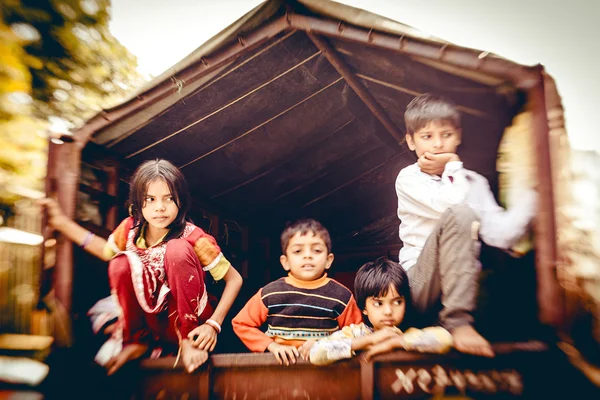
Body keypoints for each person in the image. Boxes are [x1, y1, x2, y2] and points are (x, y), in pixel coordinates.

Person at [39, 159, 243, 374]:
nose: (160, 207)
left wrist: (212, 325)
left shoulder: (195, 237)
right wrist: (62, 223)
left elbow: (234, 279)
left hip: (187, 323)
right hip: (152, 325)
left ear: (181, 202)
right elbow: (105, 252)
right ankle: (135, 340)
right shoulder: (129, 231)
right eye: (150, 199)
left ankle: (187, 340)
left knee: (177, 250)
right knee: (120, 261)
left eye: (169, 199)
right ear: (137, 203)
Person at [395, 94, 536, 358]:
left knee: (499, 270)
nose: (438, 144)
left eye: (446, 134)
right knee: (461, 214)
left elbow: (501, 236)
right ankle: (458, 322)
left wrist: (535, 195)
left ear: (458, 135)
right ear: (411, 141)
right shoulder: (408, 179)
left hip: (460, 287)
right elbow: (452, 205)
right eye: (427, 136)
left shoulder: (474, 181)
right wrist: (452, 164)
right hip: (419, 286)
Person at [232, 219, 363, 366]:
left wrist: (324, 343)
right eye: (298, 251)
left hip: (327, 372)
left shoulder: (342, 296)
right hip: (277, 373)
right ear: (285, 262)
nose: (307, 256)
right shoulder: (269, 293)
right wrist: (271, 346)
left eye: (317, 250)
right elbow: (241, 324)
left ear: (328, 260)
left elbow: (358, 335)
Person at [304, 257, 452, 365]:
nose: (388, 311)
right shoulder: (356, 334)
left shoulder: (408, 333)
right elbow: (317, 353)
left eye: (397, 302)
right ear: (364, 308)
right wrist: (368, 340)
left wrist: (396, 342)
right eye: (378, 304)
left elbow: (446, 339)